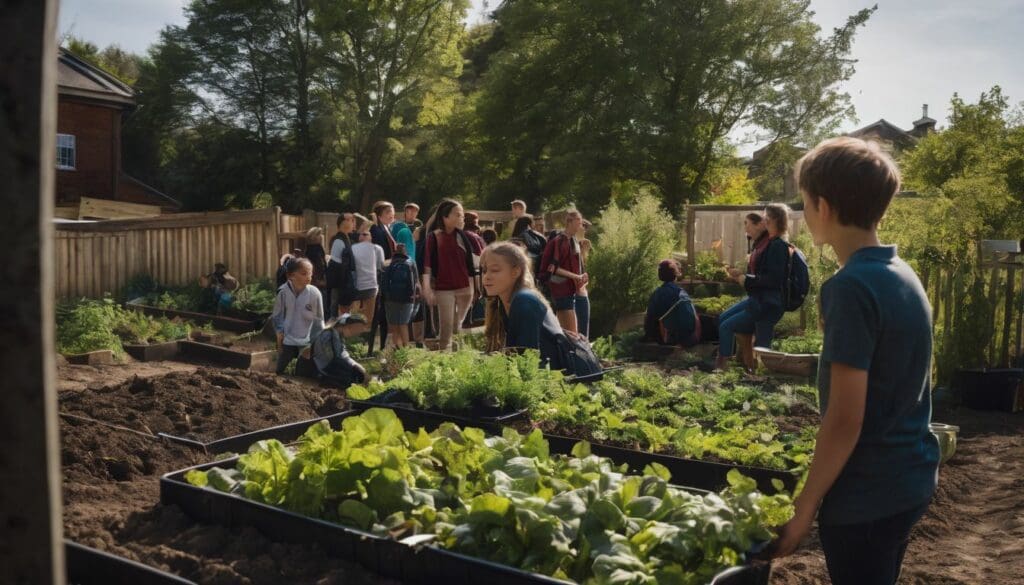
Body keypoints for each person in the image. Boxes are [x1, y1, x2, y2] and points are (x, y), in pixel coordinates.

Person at [769, 137, 939, 585]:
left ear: (822, 206)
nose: (804, 216)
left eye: (804, 204)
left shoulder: (850, 288)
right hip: (909, 477)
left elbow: (845, 418)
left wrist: (805, 507)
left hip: (866, 495)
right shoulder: (901, 273)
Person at [715, 204, 790, 371]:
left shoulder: (777, 245)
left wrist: (745, 278)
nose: (764, 219)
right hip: (759, 299)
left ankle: (726, 367)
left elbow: (773, 280)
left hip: (767, 304)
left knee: (729, 327)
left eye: (766, 217)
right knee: (723, 320)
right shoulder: (767, 243)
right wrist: (743, 275)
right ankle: (743, 364)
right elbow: (762, 274)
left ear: (772, 220)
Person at [422, 198, 483, 351]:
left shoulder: (465, 237)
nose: (461, 218)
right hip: (444, 289)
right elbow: (427, 265)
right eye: (457, 214)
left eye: (462, 214)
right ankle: (445, 357)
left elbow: (473, 264)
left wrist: (476, 287)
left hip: (465, 288)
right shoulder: (434, 237)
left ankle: (457, 358)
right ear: (445, 217)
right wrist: (427, 288)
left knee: (457, 326)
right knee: (446, 327)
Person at [713, 213, 768, 368]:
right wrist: (740, 275)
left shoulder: (768, 245)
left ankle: (723, 365)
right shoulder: (757, 244)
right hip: (753, 297)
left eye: (747, 223)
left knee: (725, 326)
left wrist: (742, 277)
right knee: (721, 318)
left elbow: (761, 279)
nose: (745, 227)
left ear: (759, 224)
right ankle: (727, 358)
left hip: (761, 301)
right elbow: (754, 275)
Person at [271, 257, 324, 375]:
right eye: (304, 274)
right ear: (291, 276)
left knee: (305, 374)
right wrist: (280, 336)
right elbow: (277, 316)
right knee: (279, 371)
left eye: (310, 273)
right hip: (287, 340)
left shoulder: (314, 294)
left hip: (306, 341)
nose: (309, 277)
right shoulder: (283, 292)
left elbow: (319, 320)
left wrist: (315, 344)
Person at [539, 210, 587, 334]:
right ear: (570, 222)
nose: (581, 226)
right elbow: (553, 268)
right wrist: (576, 276)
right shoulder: (560, 240)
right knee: (572, 334)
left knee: (570, 333)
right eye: (579, 222)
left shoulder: (573, 240)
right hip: (560, 290)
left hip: (569, 290)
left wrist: (581, 277)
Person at [644, 259, 701, 347]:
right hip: (679, 338)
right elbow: (692, 318)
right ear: (675, 275)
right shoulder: (681, 293)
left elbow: (649, 318)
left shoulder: (656, 294)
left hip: (660, 337)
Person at [312, 313, 368, 389]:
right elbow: (328, 360)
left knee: (358, 374)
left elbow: (343, 355)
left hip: (332, 365)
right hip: (320, 369)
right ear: (348, 326)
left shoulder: (339, 336)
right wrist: (348, 369)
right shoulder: (328, 335)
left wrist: (356, 366)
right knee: (349, 377)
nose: (356, 333)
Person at [381, 243, 419, 348]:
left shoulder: (388, 264)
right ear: (405, 252)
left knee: (394, 325)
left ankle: (397, 348)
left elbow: (384, 282)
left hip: (391, 298)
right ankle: (405, 349)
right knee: (403, 324)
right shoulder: (411, 263)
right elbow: (416, 281)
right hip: (407, 298)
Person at [351, 224, 385, 327]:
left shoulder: (352, 247)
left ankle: (355, 336)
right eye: (363, 234)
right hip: (371, 285)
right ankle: (365, 335)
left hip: (355, 285)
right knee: (369, 317)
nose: (364, 236)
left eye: (365, 234)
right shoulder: (377, 248)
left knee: (354, 314)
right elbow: (381, 266)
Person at [327, 212, 358, 318]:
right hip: (340, 284)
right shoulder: (339, 241)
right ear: (344, 222)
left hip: (345, 281)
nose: (354, 223)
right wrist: (344, 286)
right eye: (351, 220)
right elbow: (336, 266)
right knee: (336, 309)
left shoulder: (347, 238)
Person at [304, 226, 328, 295]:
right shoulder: (313, 251)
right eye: (319, 234)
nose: (321, 236)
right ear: (314, 237)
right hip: (317, 283)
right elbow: (317, 265)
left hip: (319, 282)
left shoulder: (317, 248)